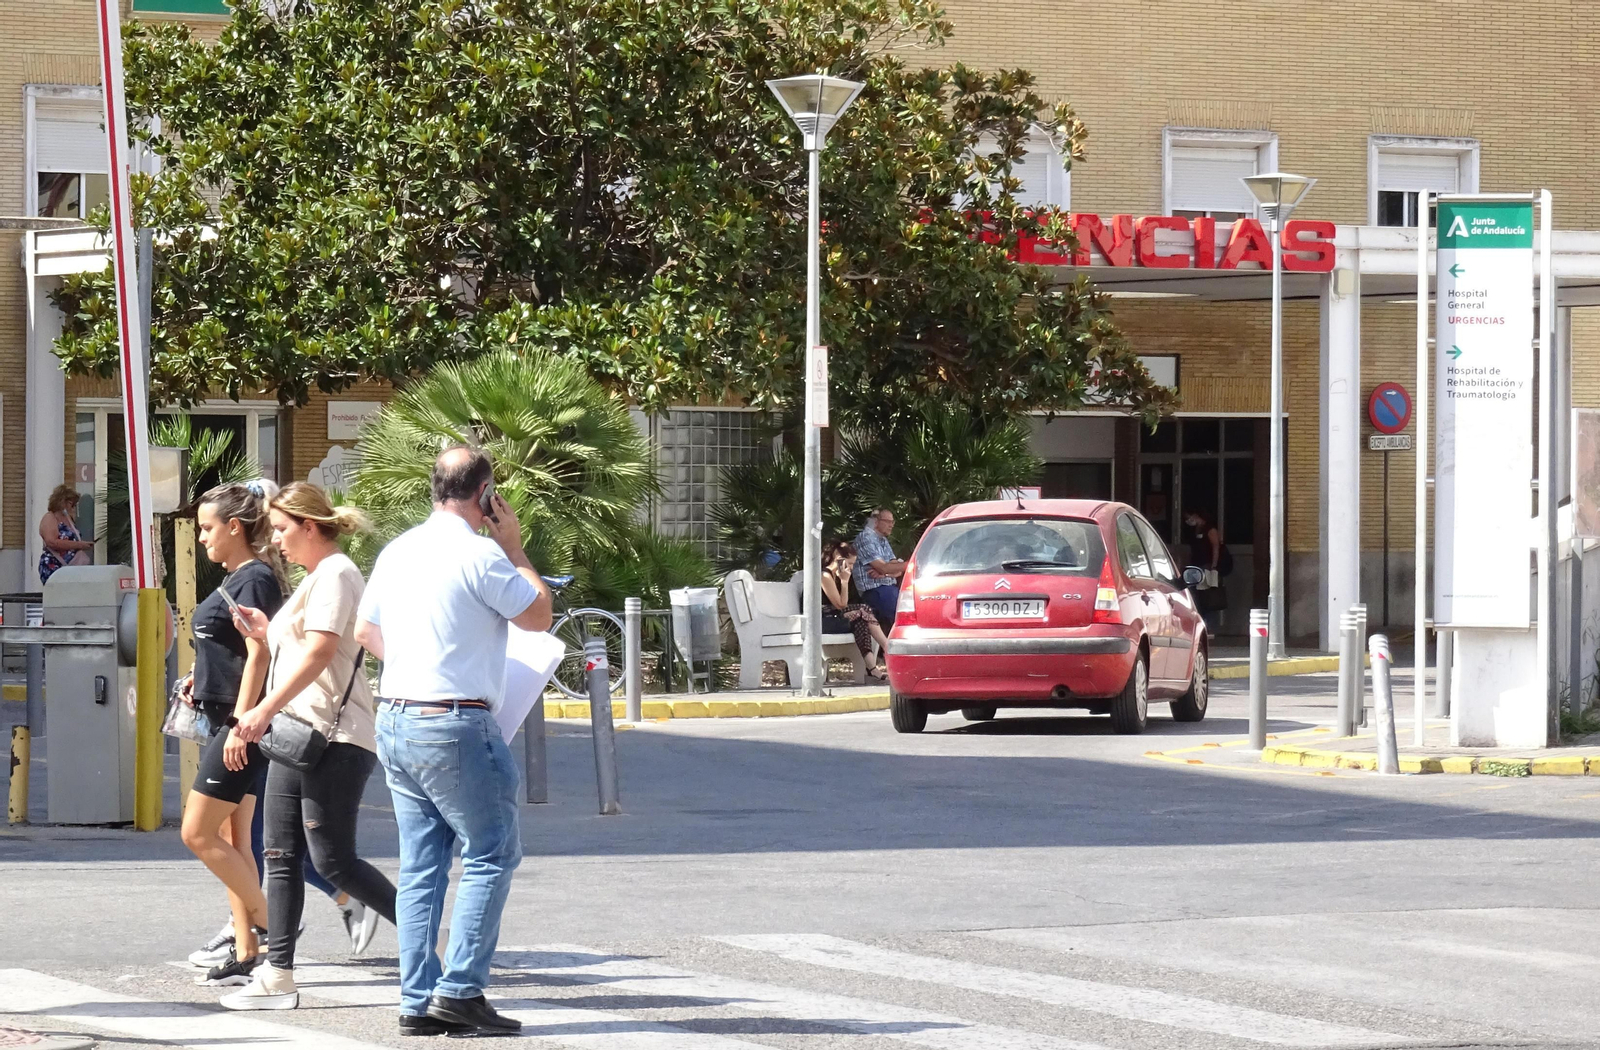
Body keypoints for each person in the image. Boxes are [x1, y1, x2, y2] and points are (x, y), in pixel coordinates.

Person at [355, 447, 552, 1038]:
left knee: (422, 865)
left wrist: (420, 663)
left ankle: (417, 998)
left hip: (397, 714)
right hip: (455, 722)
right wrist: (515, 546)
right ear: (487, 494)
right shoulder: (482, 554)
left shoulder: (399, 550)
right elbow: (538, 615)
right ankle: (460, 989)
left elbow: (366, 629)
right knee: (491, 851)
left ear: (435, 488)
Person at [219, 482, 398, 1011]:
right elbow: (305, 642)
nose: (276, 542)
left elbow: (321, 652)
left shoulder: (339, 573)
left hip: (334, 737)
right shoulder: (316, 578)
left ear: (311, 526)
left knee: (335, 860)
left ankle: (429, 936)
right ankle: (279, 974)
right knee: (279, 854)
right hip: (297, 734)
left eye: (281, 529)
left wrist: (262, 708)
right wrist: (267, 629)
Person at [179, 482, 285, 987]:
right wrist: (199, 679)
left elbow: (262, 653)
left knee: (196, 832)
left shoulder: (255, 579)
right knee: (232, 837)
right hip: (226, 716)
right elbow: (231, 651)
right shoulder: (240, 577)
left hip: (239, 725)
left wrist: (243, 722)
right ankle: (247, 948)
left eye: (207, 528)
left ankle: (272, 926)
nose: (202, 538)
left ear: (234, 527)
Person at [821, 540, 889, 680]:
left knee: (861, 620)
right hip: (822, 620)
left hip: (834, 616)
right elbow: (841, 604)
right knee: (863, 610)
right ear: (839, 560)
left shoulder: (837, 576)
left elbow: (841, 607)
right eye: (850, 563)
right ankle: (888, 647)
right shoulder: (825, 576)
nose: (851, 568)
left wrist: (843, 580)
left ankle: (872, 668)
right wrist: (844, 582)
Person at [852, 509, 905, 629]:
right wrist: (910, 564)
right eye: (888, 521)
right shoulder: (865, 538)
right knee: (900, 622)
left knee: (905, 617)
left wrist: (885, 574)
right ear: (876, 521)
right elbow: (884, 567)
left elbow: (896, 569)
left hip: (888, 589)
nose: (891, 525)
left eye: (893, 522)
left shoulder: (883, 540)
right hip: (875, 591)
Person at [38, 485, 93, 585]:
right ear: (62, 502)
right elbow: (51, 542)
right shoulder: (50, 518)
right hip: (54, 564)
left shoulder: (68, 519)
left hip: (72, 566)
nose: (73, 508)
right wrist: (79, 545)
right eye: (72, 504)